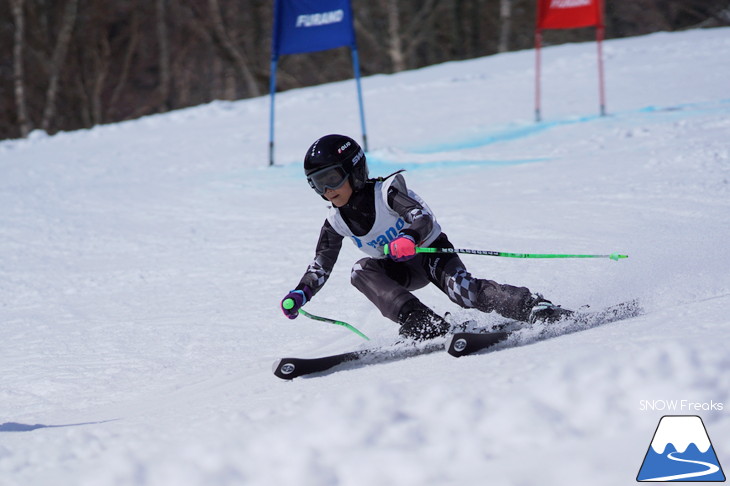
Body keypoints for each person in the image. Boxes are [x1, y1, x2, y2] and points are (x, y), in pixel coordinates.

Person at [280, 134, 570, 341]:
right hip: (399, 269)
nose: (327, 190)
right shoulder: (335, 221)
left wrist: (409, 237)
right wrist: (301, 292)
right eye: (317, 183)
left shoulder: (386, 192)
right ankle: (421, 321)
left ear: (353, 170)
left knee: (464, 293)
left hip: (432, 254)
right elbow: (321, 265)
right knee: (360, 270)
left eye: (331, 178)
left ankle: (533, 306)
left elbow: (421, 217)